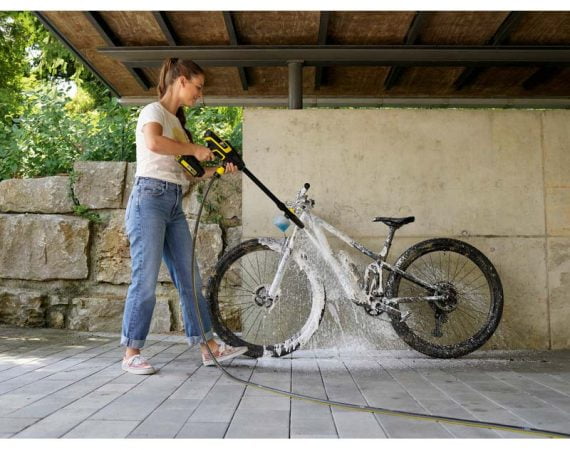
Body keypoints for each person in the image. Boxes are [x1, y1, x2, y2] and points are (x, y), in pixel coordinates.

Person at [121, 57, 247, 375]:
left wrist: (221, 169)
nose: (199, 95)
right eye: (198, 87)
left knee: (190, 279)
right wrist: (192, 148)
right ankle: (131, 352)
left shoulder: (177, 124)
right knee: (145, 279)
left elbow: (191, 173)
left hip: (173, 204)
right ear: (181, 81)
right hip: (149, 200)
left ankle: (208, 347)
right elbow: (153, 142)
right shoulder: (153, 112)